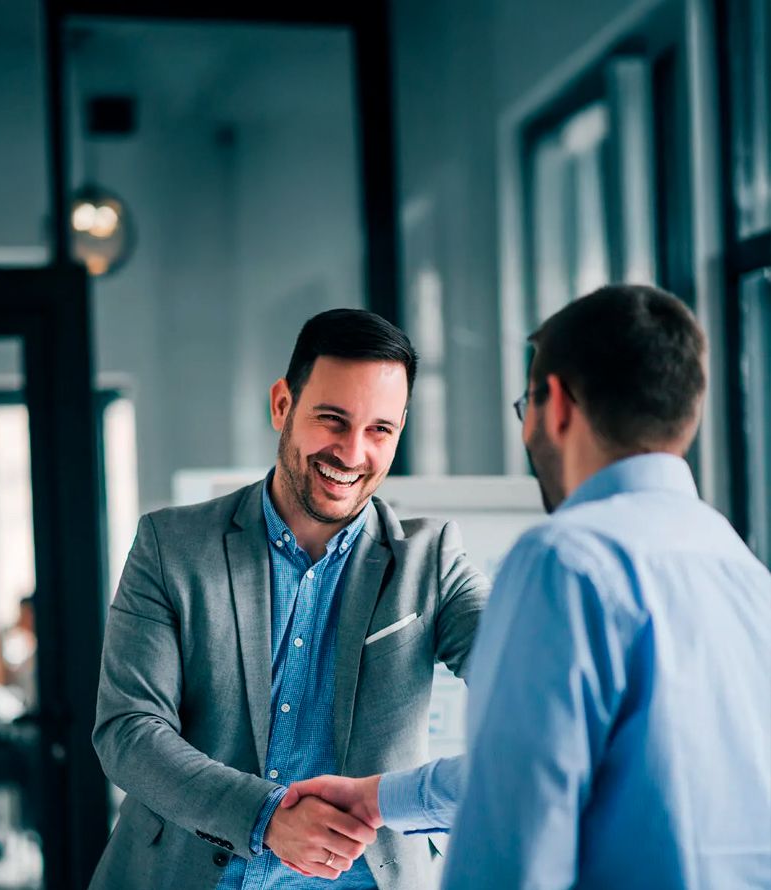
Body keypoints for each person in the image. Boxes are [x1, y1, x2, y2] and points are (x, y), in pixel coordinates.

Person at [281, 285, 771, 888]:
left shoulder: (565, 561)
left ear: (557, 405)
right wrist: (382, 797)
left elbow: (512, 824)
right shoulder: (744, 571)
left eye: (526, 405)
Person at [89, 308, 491, 890]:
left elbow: (536, 700)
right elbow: (127, 730)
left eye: (380, 430)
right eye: (333, 419)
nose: (352, 454)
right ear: (283, 405)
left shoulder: (431, 562)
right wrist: (266, 816)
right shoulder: (171, 546)